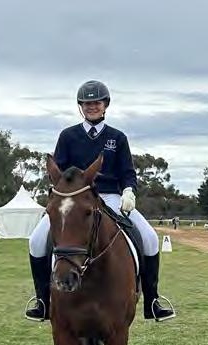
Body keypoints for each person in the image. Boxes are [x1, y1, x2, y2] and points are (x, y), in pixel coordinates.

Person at [25, 80, 175, 322]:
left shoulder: (118, 137)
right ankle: (42, 301)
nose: (92, 107)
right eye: (87, 103)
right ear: (81, 107)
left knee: (149, 238)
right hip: (76, 200)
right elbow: (59, 173)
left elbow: (127, 172)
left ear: (105, 105)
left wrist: (129, 191)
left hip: (110, 196)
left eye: (96, 102)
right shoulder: (68, 136)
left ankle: (152, 300)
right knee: (36, 240)